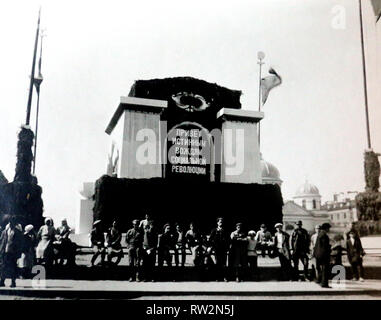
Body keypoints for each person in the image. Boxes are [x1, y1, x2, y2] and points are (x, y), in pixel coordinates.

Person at [0, 216, 24, 287]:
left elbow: (20, 244)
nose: (11, 223)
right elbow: (2, 241)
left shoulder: (17, 232)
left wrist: (18, 253)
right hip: (5, 251)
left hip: (13, 252)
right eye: (10, 222)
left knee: (13, 267)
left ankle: (13, 282)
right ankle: (2, 281)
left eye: (13, 222)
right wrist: (1, 250)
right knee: (3, 266)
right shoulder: (5, 231)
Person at [313, 222, 332, 288]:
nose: (329, 230)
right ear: (326, 228)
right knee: (325, 269)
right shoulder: (324, 235)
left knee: (321, 269)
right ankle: (324, 284)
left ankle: (319, 280)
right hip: (323, 255)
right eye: (328, 228)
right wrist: (330, 248)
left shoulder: (320, 234)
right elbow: (324, 246)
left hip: (318, 254)